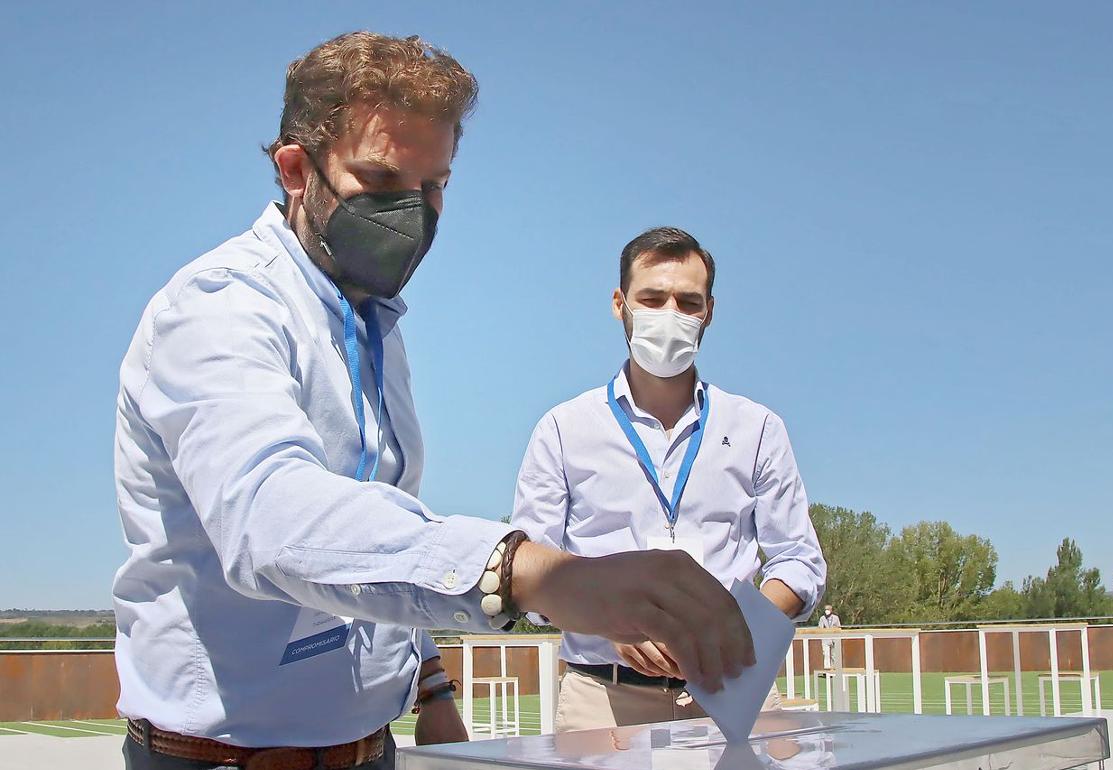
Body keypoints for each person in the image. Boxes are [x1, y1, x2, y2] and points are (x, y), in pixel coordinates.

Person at [112, 33, 753, 770]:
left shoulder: (370, 322)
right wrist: (528, 572)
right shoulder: (218, 309)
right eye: (382, 180)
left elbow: (377, 531)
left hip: (368, 746)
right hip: (224, 756)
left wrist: (431, 685)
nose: (412, 214)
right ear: (296, 169)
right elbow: (273, 518)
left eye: (434, 186)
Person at [510, 227, 827, 732]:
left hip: (733, 691)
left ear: (709, 312)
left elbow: (800, 562)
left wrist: (726, 629)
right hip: (603, 702)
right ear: (620, 304)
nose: (671, 314)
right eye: (653, 299)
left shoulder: (758, 428)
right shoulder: (562, 430)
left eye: (688, 302)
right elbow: (533, 574)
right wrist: (604, 616)